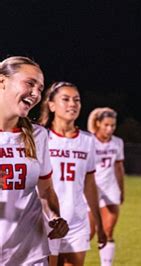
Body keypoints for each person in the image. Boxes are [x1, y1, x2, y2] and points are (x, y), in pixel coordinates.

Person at [0, 56, 69, 265]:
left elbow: (46, 191)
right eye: (30, 83)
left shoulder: (38, 135)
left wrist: (55, 217)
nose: (36, 93)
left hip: (30, 255)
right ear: (2, 81)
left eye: (40, 88)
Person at [38, 81, 107, 265]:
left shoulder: (87, 140)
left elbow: (90, 185)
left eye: (76, 100)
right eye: (66, 99)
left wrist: (100, 225)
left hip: (77, 221)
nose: (73, 104)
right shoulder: (40, 137)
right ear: (51, 105)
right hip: (46, 220)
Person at [87, 107, 125, 266]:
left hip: (110, 189)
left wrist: (121, 190)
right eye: (106, 125)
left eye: (113, 126)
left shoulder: (117, 142)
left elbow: (118, 167)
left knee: (108, 232)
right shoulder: (88, 141)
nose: (109, 129)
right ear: (98, 123)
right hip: (90, 190)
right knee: (88, 233)